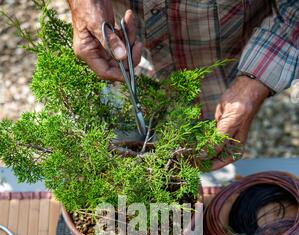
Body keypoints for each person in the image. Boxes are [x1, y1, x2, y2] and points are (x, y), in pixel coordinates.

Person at [67, 0, 299, 169]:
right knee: (117, 141)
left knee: (197, 159)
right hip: (124, 63)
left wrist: (254, 82)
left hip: (223, 71)